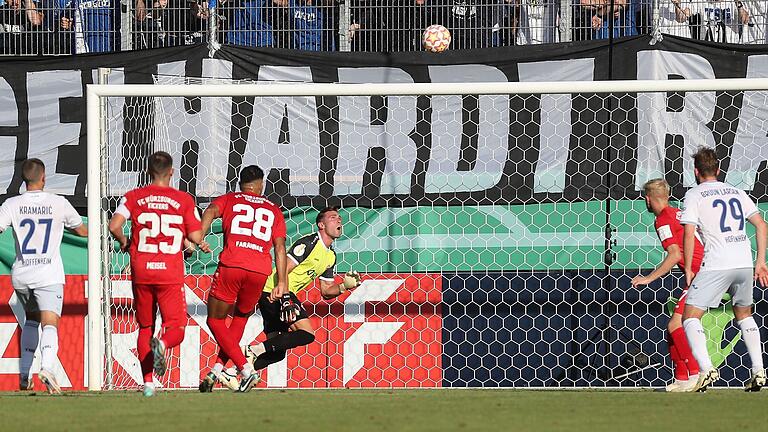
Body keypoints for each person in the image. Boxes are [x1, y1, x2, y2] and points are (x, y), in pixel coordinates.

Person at [108, 151, 210, 397]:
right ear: (172, 172)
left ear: (148, 171)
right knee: (176, 327)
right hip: (169, 273)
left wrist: (124, 241)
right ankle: (162, 345)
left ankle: (148, 384)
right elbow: (196, 237)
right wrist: (198, 240)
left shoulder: (133, 197)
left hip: (141, 270)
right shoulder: (184, 200)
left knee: (145, 326)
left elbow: (114, 225)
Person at [680, 147, 768, 392]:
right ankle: (759, 371)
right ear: (718, 170)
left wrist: (688, 268)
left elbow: (688, 232)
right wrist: (761, 261)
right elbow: (761, 225)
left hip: (717, 263)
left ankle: (707, 369)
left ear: (696, 172)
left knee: (690, 316)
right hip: (743, 262)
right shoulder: (737, 191)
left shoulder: (694, 194)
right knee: (745, 315)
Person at [0, 158, 88, 394]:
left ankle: (24, 374)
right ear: (44, 177)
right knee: (50, 322)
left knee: (31, 320)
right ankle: (47, 368)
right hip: (48, 274)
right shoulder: (58, 203)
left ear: (23, 179)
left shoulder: (12, 204)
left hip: (21, 274)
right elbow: (81, 229)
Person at [197, 165, 288, 393]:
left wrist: (200, 234)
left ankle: (246, 370)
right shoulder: (273, 209)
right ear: (261, 184)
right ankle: (217, 371)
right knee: (240, 317)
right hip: (259, 271)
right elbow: (280, 247)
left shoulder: (230, 199)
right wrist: (282, 282)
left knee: (215, 321)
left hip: (232, 265)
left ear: (240, 184)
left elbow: (209, 211)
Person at [246, 207, 362, 373]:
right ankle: (252, 351)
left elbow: (326, 290)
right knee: (306, 334)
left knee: (277, 353)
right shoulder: (309, 243)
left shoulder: (331, 256)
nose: (339, 220)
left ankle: (238, 371)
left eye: (339, 218)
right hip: (275, 291)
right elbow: (283, 268)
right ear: (321, 225)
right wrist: (285, 299)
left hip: (278, 294)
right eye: (333, 217)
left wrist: (344, 286)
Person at [631, 178, 703, 392]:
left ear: (648, 199)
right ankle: (682, 378)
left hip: (700, 274)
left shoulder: (662, 219)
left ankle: (696, 373)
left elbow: (675, 254)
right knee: (673, 328)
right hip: (705, 271)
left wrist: (649, 278)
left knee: (675, 325)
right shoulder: (678, 213)